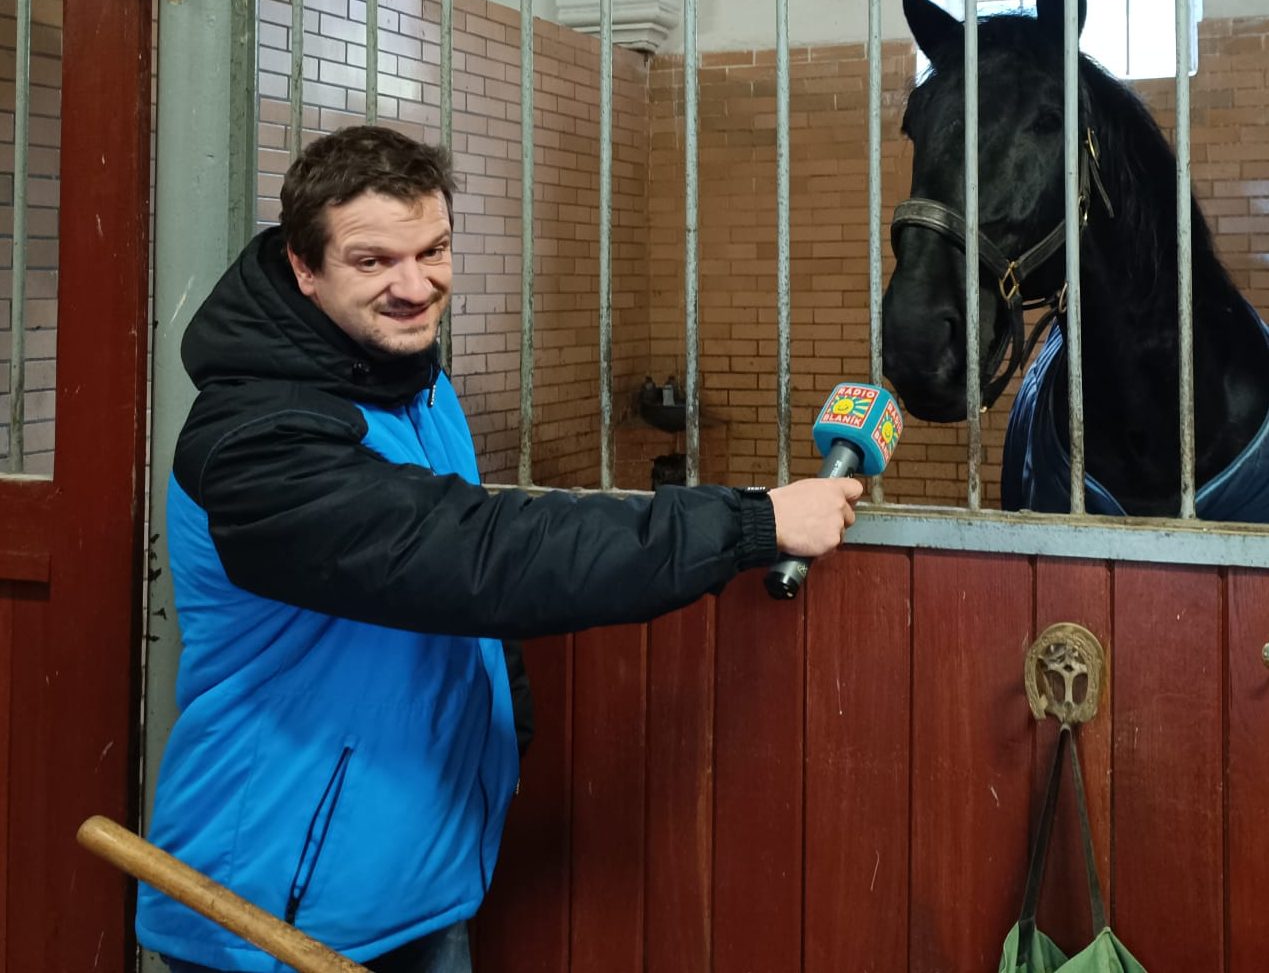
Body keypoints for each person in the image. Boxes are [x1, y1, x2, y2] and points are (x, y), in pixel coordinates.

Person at [137, 124, 863, 973]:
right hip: (273, 905)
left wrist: (501, 735)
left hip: (421, 873)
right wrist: (750, 522)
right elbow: (480, 554)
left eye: (433, 248)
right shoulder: (259, 443)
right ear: (305, 268)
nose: (416, 285)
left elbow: (466, 601)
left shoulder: (414, 384)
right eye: (373, 261)